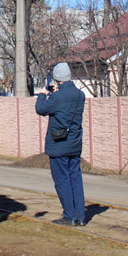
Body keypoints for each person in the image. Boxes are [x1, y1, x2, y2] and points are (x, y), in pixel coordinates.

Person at [35, 62, 86, 226]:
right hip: (75, 143)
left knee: (62, 180)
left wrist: (43, 94)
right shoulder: (80, 95)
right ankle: (80, 216)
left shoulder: (56, 97)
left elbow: (41, 109)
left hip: (58, 144)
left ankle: (69, 216)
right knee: (76, 179)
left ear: (56, 79)